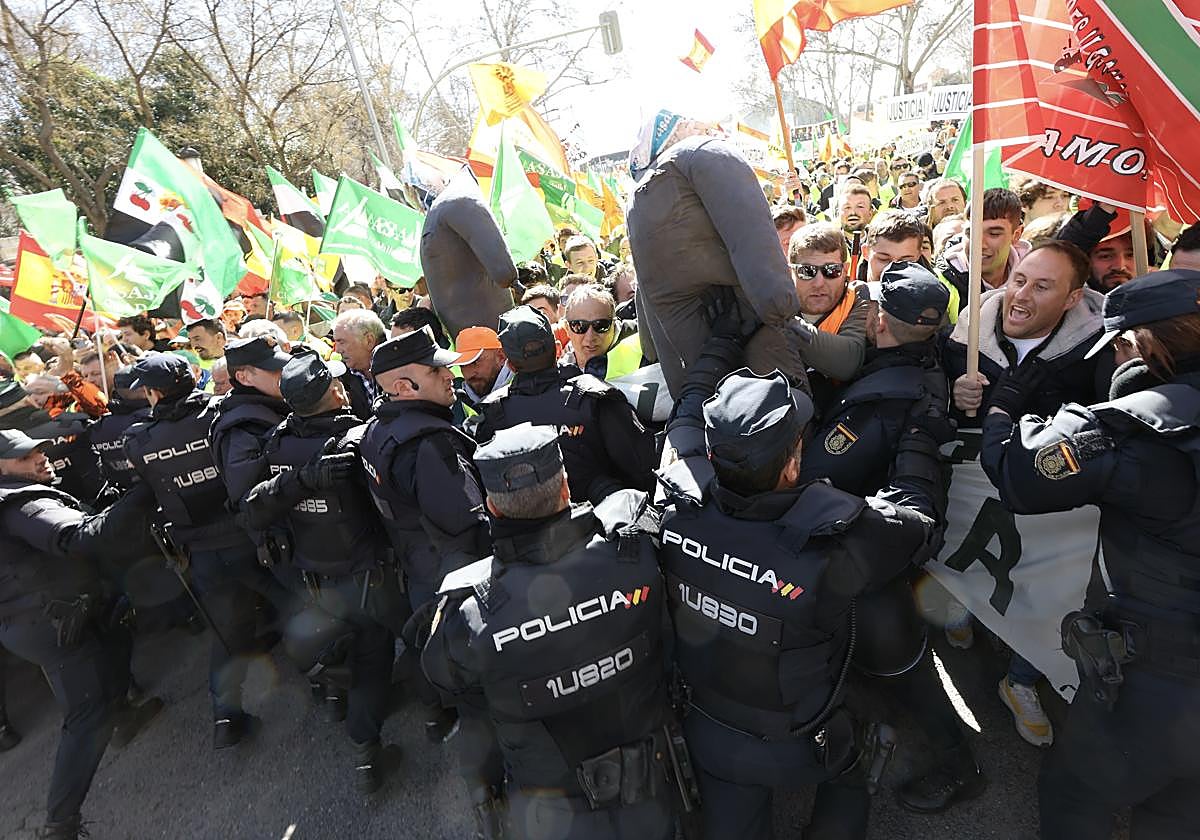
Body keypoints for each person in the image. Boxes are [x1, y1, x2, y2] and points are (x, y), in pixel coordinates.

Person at [657, 343, 944, 839]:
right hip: (805, 741)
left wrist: (714, 349)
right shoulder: (838, 533)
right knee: (850, 777)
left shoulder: (671, 505)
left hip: (709, 731)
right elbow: (919, 525)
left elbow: (682, 421)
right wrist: (919, 438)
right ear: (793, 465)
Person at [979, 270, 1200, 839]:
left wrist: (1006, 413)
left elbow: (1022, 475)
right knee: (1180, 814)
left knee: (1077, 794)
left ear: (1140, 345)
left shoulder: (1137, 428)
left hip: (1161, 675)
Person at [421, 423, 676, 840]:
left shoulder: (467, 613)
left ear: (492, 508)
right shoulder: (637, 550)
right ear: (565, 488)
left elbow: (448, 685)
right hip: (650, 788)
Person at [797, 262, 985, 812]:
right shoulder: (931, 362)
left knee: (902, 662)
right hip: (868, 550)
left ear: (879, 319)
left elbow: (822, 474)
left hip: (867, 559)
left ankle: (959, 763)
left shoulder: (891, 398)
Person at [942, 241, 1112, 744]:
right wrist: (956, 400)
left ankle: (1021, 679)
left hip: (1049, 499)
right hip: (979, 489)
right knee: (974, 550)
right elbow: (933, 408)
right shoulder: (967, 334)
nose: (1021, 295)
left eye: (1042, 287)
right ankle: (962, 605)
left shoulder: (1096, 348)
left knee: (1051, 583)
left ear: (1073, 297)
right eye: (1019, 280)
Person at [242, 351, 403, 793]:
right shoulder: (358, 438)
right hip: (369, 577)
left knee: (350, 650)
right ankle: (367, 752)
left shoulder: (278, 442)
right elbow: (252, 510)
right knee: (377, 656)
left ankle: (343, 706)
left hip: (316, 579)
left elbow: (255, 508)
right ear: (335, 391)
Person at [357, 328, 497, 814]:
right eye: (437, 370)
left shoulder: (379, 428)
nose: (450, 376)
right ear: (402, 387)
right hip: (453, 582)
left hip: (420, 573)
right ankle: (486, 790)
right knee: (481, 696)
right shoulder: (430, 444)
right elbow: (469, 525)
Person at [122, 352, 291, 750]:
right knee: (298, 606)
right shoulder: (221, 414)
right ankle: (329, 680)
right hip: (251, 537)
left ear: (151, 392)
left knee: (228, 633)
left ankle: (226, 716)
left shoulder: (138, 440)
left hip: (203, 554)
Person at [0, 429, 163, 839]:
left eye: (38, 450)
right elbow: (81, 537)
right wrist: (145, 490)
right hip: (52, 625)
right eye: (25, 457)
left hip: (58, 614)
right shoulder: (23, 505)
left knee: (117, 631)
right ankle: (61, 823)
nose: (40, 458)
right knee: (86, 718)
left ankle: (124, 715)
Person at [624, 113, 811, 398]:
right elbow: (753, 239)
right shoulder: (703, 153)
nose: (703, 126)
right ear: (677, 131)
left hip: (696, 378)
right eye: (693, 123)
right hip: (760, 346)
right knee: (783, 423)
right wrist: (786, 315)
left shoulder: (635, 202)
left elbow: (650, 332)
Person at [474, 305, 655, 506]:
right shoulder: (595, 396)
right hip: (604, 525)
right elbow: (642, 469)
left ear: (510, 365)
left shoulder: (492, 414)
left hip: (528, 533)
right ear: (559, 348)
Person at [420, 168, 522, 338]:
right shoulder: (463, 200)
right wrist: (518, 286)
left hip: (462, 335)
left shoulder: (438, 210)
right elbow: (504, 271)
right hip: (492, 329)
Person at [787, 222, 870, 407]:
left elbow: (848, 361)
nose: (818, 283)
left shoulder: (858, 298)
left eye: (831, 271)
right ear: (789, 271)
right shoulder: (776, 300)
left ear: (846, 270)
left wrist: (783, 322)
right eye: (806, 271)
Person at [936, 189, 1029, 301]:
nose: (979, 244)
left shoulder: (1037, 278)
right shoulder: (938, 286)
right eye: (970, 233)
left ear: (1016, 235)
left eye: (993, 234)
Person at [559, 284, 642, 381]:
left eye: (600, 325)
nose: (590, 337)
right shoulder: (559, 377)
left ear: (614, 325)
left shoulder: (642, 351)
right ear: (566, 328)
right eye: (579, 326)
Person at [331, 309, 386, 420]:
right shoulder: (341, 376)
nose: (337, 350)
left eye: (342, 342)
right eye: (335, 342)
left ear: (369, 340)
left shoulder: (399, 367)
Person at [452, 326, 512, 414]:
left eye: (475, 362)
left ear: (501, 357)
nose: (469, 373)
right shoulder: (460, 399)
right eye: (463, 365)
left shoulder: (526, 385)